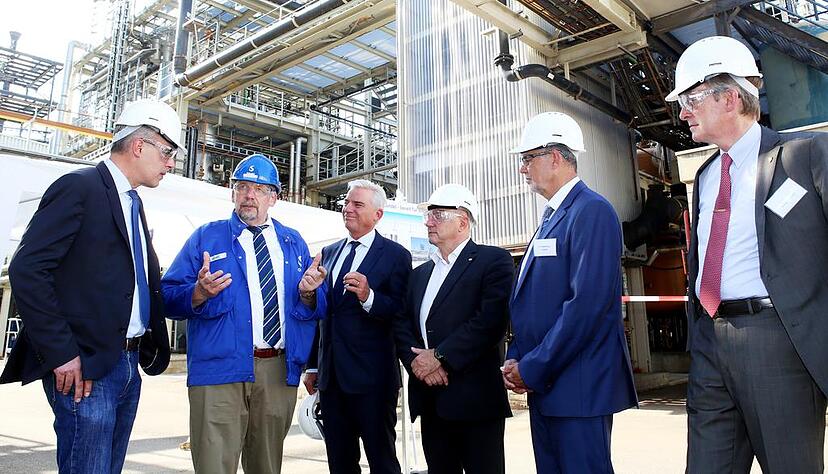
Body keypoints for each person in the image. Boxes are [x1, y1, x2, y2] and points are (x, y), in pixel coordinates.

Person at [665, 35, 828, 473]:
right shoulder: (705, 173)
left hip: (778, 340)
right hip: (708, 341)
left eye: (692, 99)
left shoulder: (806, 155)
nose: (683, 112)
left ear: (731, 97)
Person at [0, 98, 177, 472]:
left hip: (127, 363)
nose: (171, 163)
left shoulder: (132, 202)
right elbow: (28, 269)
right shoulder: (79, 188)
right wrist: (62, 353)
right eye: (166, 152)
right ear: (139, 145)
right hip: (87, 368)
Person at [160, 154, 323, 474]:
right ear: (232, 192)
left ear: (274, 197)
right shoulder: (206, 237)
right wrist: (198, 293)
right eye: (242, 186)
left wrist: (308, 293)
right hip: (219, 371)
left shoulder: (293, 243)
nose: (250, 194)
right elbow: (167, 296)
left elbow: (310, 309)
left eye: (260, 189)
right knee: (213, 465)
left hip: (278, 371)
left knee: (266, 466)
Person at [503, 112, 638, 473]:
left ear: (556, 157)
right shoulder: (552, 217)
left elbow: (586, 307)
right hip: (548, 385)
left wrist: (531, 366)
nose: (523, 169)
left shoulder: (591, 211)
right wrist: (517, 356)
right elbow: (531, 301)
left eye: (528, 158)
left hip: (577, 388)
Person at [393, 183, 513, 474]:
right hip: (431, 401)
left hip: (476, 402)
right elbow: (402, 322)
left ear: (462, 220)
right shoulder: (419, 273)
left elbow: (490, 322)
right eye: (428, 215)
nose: (428, 221)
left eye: (437, 215)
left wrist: (440, 357)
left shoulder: (493, 261)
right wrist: (418, 365)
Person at [301, 179, 411, 474]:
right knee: (340, 462)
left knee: (382, 460)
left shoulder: (395, 255)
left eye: (357, 204)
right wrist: (313, 366)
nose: (347, 208)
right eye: (346, 203)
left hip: (373, 380)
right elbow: (325, 316)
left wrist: (368, 296)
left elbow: (401, 313)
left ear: (378, 215)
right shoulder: (329, 252)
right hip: (332, 379)